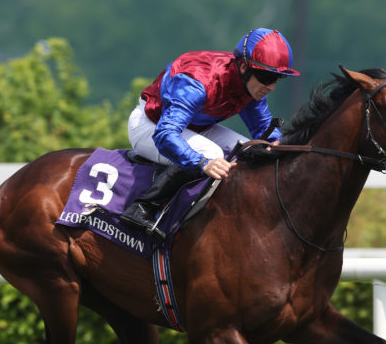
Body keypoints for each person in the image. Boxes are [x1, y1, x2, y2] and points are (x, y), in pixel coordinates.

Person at [119, 27, 300, 233]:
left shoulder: (251, 84)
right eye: (266, 78)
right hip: (150, 125)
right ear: (243, 67)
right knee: (211, 154)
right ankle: (143, 207)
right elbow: (166, 134)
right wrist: (202, 162)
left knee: (251, 150)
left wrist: (277, 144)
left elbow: (263, 129)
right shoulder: (199, 81)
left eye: (277, 79)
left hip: (195, 128)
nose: (271, 86)